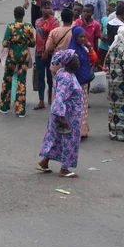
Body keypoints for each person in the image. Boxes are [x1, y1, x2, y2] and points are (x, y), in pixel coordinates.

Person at [37, 49, 83, 178]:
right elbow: (59, 97)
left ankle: (44, 162)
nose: (78, 62)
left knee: (55, 139)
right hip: (67, 115)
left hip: (64, 113)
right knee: (69, 141)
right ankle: (64, 169)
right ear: (68, 62)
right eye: (76, 60)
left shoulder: (64, 73)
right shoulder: (66, 77)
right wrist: (62, 118)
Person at [0, 6, 36, 116]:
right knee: (22, 81)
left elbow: (5, 43)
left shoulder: (10, 26)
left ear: (14, 15)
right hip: (24, 56)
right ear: (23, 15)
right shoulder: (28, 26)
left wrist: (12, 43)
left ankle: (4, 106)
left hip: (12, 56)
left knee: (7, 79)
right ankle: (20, 110)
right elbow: (32, 43)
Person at [68, 27, 93, 138]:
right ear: (75, 37)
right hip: (75, 84)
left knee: (83, 107)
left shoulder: (83, 48)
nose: (83, 39)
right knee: (77, 108)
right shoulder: (72, 51)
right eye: (80, 37)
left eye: (84, 36)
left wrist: (90, 48)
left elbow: (92, 60)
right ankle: (76, 130)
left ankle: (82, 130)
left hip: (84, 82)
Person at [34, 0, 59, 110]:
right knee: (40, 77)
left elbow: (52, 38)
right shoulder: (37, 21)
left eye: (49, 8)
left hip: (50, 53)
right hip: (38, 52)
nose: (48, 10)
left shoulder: (55, 22)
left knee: (50, 77)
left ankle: (50, 97)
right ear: (41, 9)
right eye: (45, 8)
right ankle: (41, 100)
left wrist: (46, 51)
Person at [98, 0, 116, 66]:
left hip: (110, 47)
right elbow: (101, 29)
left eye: (110, 11)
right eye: (107, 10)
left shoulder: (115, 21)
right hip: (102, 46)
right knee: (100, 62)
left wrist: (108, 38)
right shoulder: (104, 19)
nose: (108, 12)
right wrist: (101, 35)